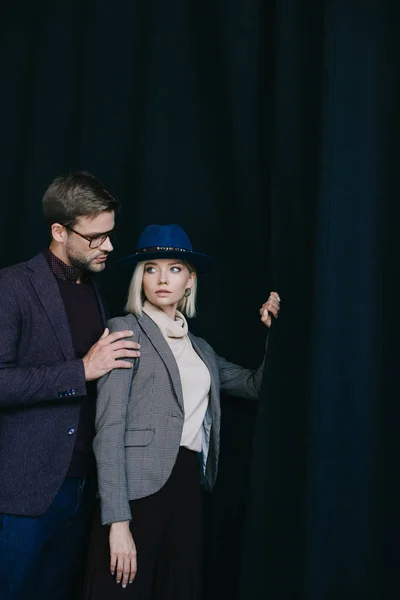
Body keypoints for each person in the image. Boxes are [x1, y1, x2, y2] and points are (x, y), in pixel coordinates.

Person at [83, 223, 281, 600]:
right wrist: (118, 521)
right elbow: (108, 429)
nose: (162, 279)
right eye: (151, 269)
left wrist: (276, 332)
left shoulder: (201, 350)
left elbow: (255, 385)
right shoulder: (125, 330)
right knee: (121, 589)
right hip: (135, 490)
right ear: (140, 279)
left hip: (188, 485)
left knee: (178, 588)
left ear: (189, 281)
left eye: (174, 269)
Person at [0, 171, 141, 600]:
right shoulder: (12, 286)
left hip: (81, 489)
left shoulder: (95, 293)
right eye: (96, 238)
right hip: (22, 494)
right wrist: (80, 370)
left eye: (110, 234)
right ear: (59, 231)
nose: (109, 247)